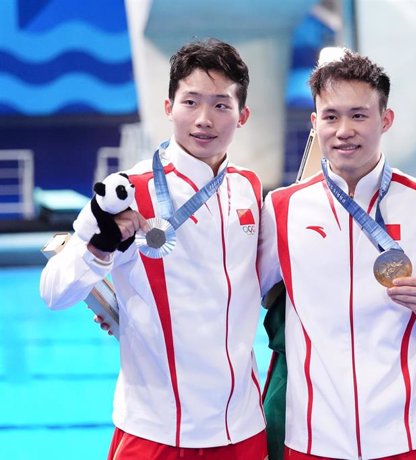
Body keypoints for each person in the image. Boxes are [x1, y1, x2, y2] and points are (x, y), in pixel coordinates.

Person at [40, 38, 268, 459]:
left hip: (241, 428)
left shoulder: (249, 189)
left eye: (221, 105)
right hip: (156, 432)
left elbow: (269, 282)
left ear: (243, 115)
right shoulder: (127, 192)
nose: (204, 119)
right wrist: (100, 250)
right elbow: (54, 292)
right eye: (190, 102)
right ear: (168, 107)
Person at [258, 50, 416, 459]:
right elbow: (236, 291)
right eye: (331, 116)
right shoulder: (282, 210)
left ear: (385, 120)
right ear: (314, 122)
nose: (344, 131)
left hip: (409, 437)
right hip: (312, 440)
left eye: (359, 115)